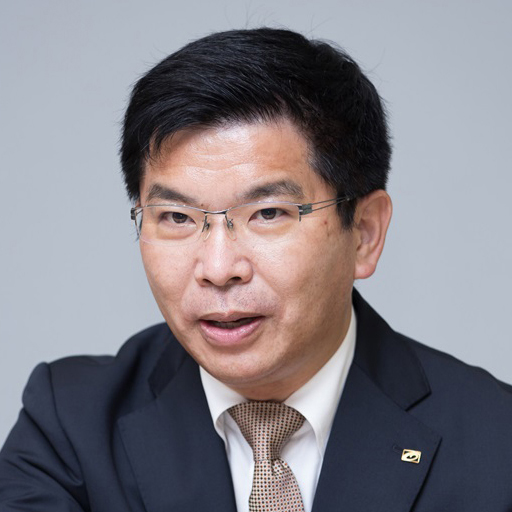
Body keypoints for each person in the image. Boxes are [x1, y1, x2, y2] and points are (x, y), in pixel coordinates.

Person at [1, 27, 511, 512]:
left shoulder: (496, 442)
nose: (218, 269)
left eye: (268, 213)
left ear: (364, 232)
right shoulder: (70, 426)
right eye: (176, 217)